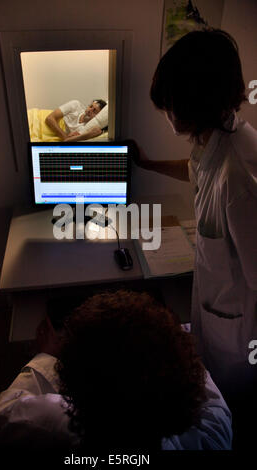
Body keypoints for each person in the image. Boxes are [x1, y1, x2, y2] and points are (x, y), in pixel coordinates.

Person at [132, 29, 257, 404]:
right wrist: (146, 164)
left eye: (171, 105)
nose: (167, 115)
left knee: (228, 408)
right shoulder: (215, 137)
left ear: (194, 103)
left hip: (238, 338)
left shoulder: (241, 179)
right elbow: (195, 169)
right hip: (214, 311)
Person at [0, 290, 232, 451]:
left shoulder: (51, 424)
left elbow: (4, 411)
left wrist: (49, 354)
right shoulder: (214, 433)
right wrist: (159, 329)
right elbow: (193, 372)